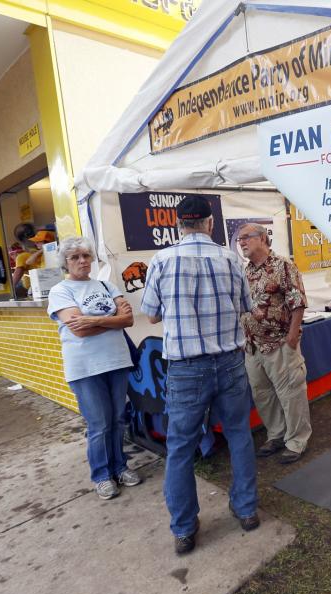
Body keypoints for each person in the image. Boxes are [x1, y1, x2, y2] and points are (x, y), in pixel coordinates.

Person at [140, 194, 260, 556]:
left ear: (178, 225)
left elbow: (151, 315)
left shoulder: (161, 260)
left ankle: (184, 529)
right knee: (239, 434)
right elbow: (246, 308)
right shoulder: (230, 259)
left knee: (180, 447)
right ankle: (247, 509)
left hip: (187, 368)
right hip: (229, 362)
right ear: (210, 224)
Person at [46, 236, 141, 500]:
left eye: (86, 255)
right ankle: (101, 475)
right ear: (65, 262)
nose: (82, 261)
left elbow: (129, 320)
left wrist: (94, 319)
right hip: (85, 367)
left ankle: (120, 467)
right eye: (75, 257)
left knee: (118, 418)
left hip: (117, 360)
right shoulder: (60, 291)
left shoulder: (106, 284)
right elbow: (79, 331)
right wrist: (112, 320)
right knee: (99, 423)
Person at [236, 223, 312, 465]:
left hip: (279, 343)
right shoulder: (245, 271)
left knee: (291, 394)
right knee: (263, 395)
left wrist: (291, 337)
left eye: (246, 238)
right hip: (253, 346)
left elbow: (298, 302)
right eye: (239, 240)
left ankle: (297, 441)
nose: (242, 243)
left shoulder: (283, 266)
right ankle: (276, 435)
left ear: (261, 238)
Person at [11, 224, 57, 297]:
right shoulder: (38, 253)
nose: (36, 243)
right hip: (41, 286)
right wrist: (41, 250)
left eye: (38, 241)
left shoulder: (53, 252)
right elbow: (28, 262)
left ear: (47, 242)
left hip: (49, 285)